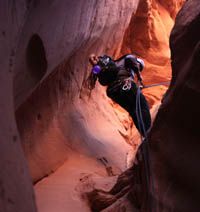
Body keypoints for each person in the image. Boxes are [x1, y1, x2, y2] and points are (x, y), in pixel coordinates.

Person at [87, 53, 151, 137]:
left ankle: (145, 134)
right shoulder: (131, 59)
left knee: (133, 111)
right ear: (138, 63)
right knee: (142, 105)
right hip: (124, 85)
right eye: (140, 66)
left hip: (114, 92)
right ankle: (148, 133)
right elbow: (130, 59)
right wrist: (139, 76)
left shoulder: (115, 64)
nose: (138, 69)